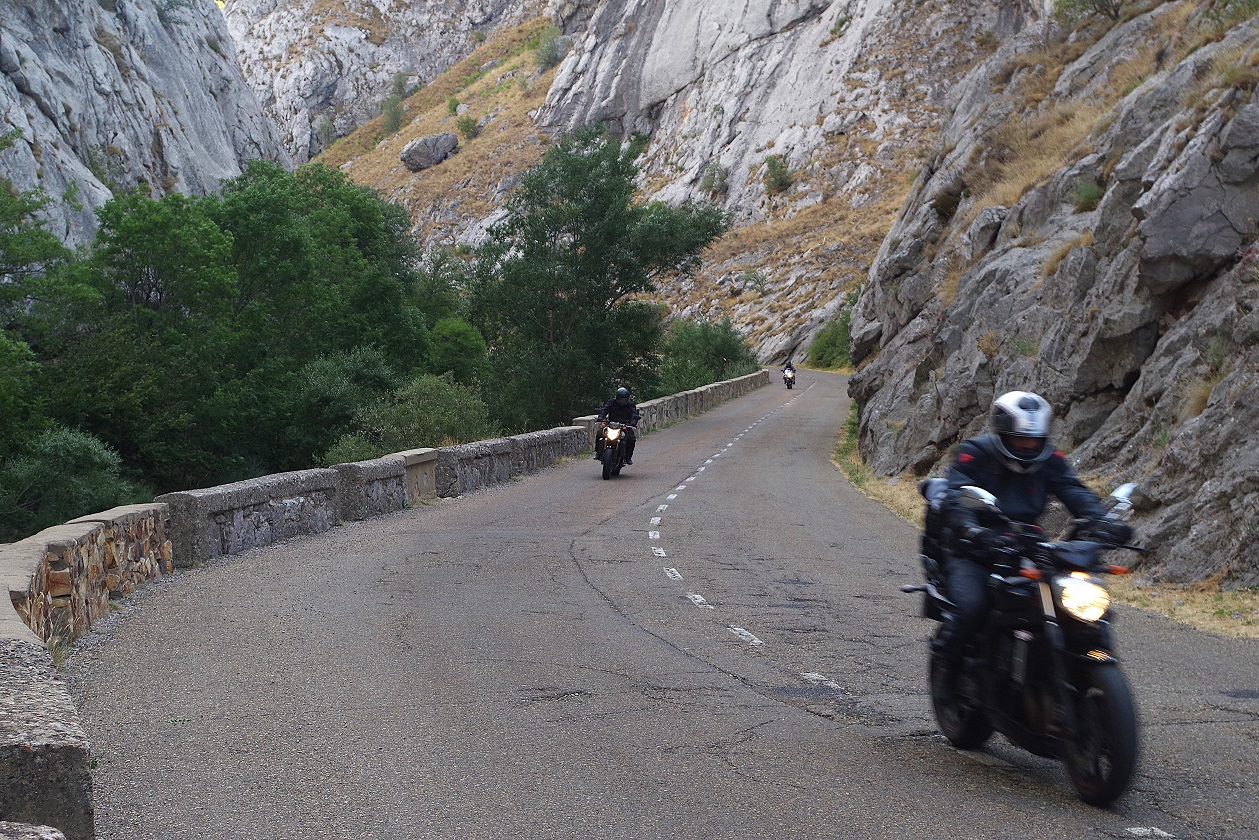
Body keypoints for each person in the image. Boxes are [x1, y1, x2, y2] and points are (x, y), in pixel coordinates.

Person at [936, 391, 1132, 673]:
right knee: (971, 607)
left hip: (1026, 545)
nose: (1028, 445)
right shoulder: (975, 454)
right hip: (974, 549)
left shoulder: (1051, 460)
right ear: (1003, 434)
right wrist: (971, 529)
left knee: (1076, 608)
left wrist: (1103, 522)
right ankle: (947, 668)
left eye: (1035, 440)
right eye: (1020, 439)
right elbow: (956, 497)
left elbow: (1074, 491)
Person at [597, 387, 641, 465]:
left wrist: (633, 423)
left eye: (624, 399)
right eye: (621, 399)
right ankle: (598, 452)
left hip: (625, 425)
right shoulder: (611, 402)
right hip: (611, 424)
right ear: (617, 398)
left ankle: (628, 457)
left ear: (627, 399)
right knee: (600, 432)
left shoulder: (630, 405)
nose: (622, 401)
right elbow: (604, 410)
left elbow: (634, 414)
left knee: (631, 438)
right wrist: (601, 417)